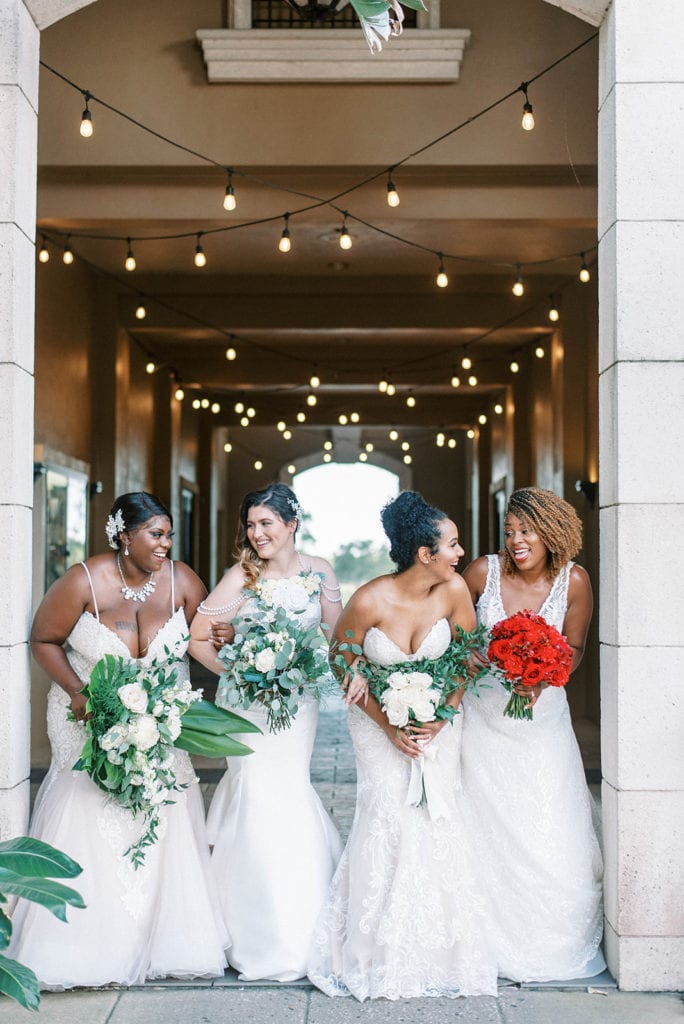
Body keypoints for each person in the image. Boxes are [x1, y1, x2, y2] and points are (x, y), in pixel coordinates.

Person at [9, 492, 229, 989]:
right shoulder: (83, 581)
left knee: (161, 811)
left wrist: (225, 635)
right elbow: (43, 639)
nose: (165, 544)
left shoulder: (182, 580)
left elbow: (209, 634)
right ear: (124, 535)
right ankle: (85, 945)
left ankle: (158, 936)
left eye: (168, 535)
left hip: (159, 723)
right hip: (85, 719)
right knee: (90, 814)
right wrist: (78, 692)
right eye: (156, 534)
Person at [308, 491, 497, 1001]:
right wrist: (387, 724)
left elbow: (463, 658)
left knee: (438, 818)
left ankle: (441, 950)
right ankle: (376, 949)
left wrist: (443, 714)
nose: (461, 553)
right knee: (387, 818)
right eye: (453, 544)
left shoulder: (454, 590)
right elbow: (342, 660)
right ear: (424, 553)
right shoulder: (370, 599)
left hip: (439, 725)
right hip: (376, 727)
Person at [189, 482, 344, 982]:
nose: (257, 534)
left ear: (292, 524)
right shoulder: (242, 575)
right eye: (251, 525)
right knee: (255, 794)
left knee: (290, 791)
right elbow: (196, 638)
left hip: (297, 707)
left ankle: (302, 924)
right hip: (249, 708)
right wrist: (238, 672)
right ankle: (253, 929)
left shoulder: (319, 572)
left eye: (267, 524)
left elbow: (337, 637)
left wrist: (344, 673)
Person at [460, 486, 605, 983]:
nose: (516, 541)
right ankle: (485, 938)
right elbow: (448, 630)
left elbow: (577, 645)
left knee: (546, 817)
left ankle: (545, 935)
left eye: (526, 531)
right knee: (483, 822)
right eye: (509, 531)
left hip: (543, 723)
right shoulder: (483, 572)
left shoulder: (576, 581)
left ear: (553, 532)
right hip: (482, 719)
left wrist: (545, 678)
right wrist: (470, 653)